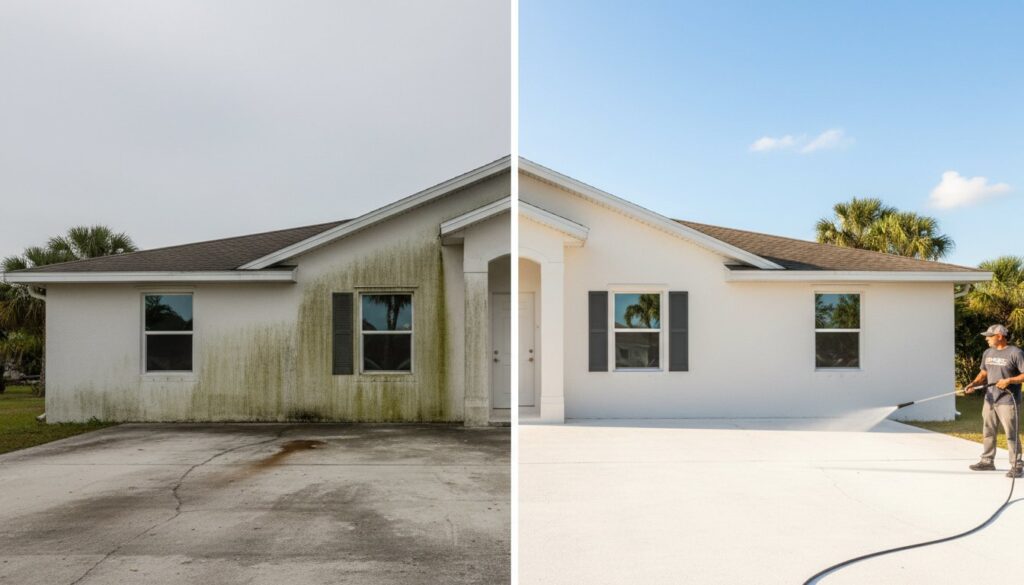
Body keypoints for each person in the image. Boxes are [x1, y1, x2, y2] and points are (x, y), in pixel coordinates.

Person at [965, 324, 1024, 478]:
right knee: (988, 431)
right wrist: (973, 384)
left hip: (1008, 401)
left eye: (989, 336)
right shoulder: (988, 352)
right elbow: (984, 372)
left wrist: (1009, 380)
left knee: (1011, 433)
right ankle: (987, 461)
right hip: (990, 399)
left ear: (999, 336)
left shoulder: (1015, 353)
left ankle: (1017, 466)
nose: (986, 338)